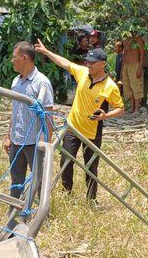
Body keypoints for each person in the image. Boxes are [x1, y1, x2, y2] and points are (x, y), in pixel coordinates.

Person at [34, 40, 124, 201]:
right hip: (72, 128)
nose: (89, 65)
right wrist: (46, 52)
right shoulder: (82, 73)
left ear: (102, 64)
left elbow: (120, 108)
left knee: (91, 167)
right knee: (66, 162)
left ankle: (91, 199)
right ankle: (66, 193)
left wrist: (105, 116)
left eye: (93, 63)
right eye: (87, 62)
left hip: (92, 132)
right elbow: (65, 63)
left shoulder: (110, 86)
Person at [4, 41, 55, 200]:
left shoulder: (42, 82)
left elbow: (48, 116)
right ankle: (14, 210)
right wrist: (8, 136)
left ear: (24, 58)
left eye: (15, 57)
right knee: (16, 179)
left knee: (39, 180)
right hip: (17, 139)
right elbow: (15, 110)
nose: (12, 61)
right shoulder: (15, 81)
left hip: (34, 141)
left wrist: (45, 143)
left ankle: (40, 215)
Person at [121, 33, 145, 114]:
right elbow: (124, 54)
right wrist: (122, 68)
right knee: (127, 86)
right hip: (125, 65)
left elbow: (142, 55)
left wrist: (140, 68)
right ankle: (132, 108)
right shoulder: (125, 40)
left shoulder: (138, 40)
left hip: (135, 65)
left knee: (136, 86)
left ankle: (136, 109)